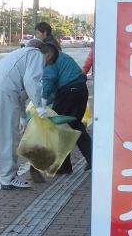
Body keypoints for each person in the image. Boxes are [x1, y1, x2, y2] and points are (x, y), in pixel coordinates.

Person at [0, 39, 46, 189]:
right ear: (41, 50)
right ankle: (8, 178)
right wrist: (39, 106)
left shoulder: (17, 54)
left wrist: (23, 115)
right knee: (9, 136)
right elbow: (31, 81)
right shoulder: (36, 54)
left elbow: (21, 90)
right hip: (7, 92)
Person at [38, 41, 92, 173]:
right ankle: (92, 158)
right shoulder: (61, 56)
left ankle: (64, 167)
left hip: (69, 92)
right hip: (80, 90)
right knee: (75, 126)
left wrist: (42, 104)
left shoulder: (50, 61)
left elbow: (48, 81)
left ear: (47, 55)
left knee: (60, 127)